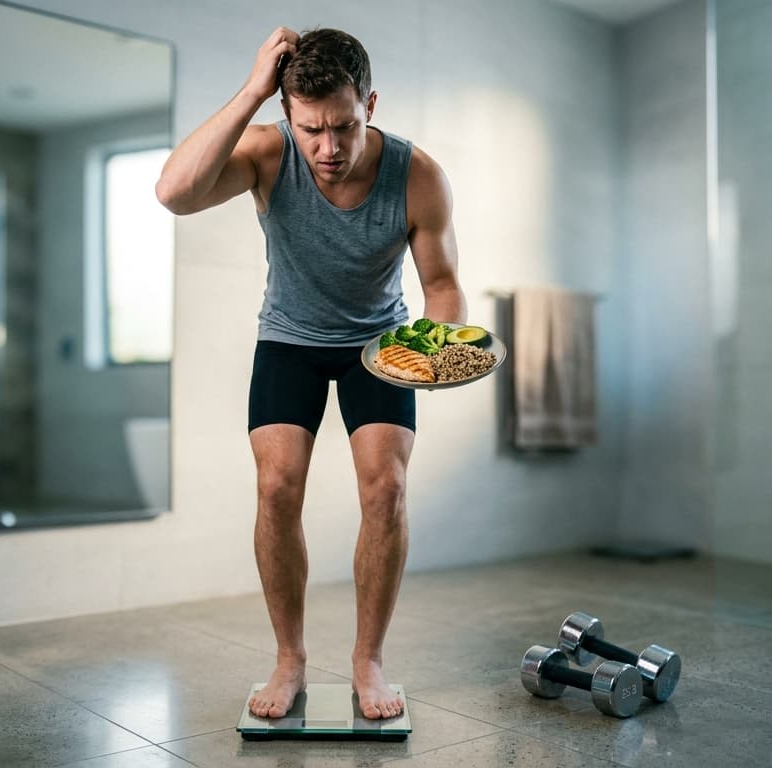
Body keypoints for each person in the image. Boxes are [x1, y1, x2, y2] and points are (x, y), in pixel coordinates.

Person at [155, 27, 466, 720]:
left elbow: (442, 283)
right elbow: (174, 193)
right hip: (289, 339)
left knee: (386, 489)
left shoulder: (419, 176)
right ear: (289, 115)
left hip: (379, 345)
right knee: (275, 487)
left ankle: (368, 661)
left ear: (371, 106)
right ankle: (289, 658)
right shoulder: (269, 152)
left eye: (345, 127)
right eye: (311, 129)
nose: (327, 149)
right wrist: (252, 92)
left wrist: (434, 346)